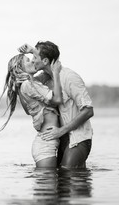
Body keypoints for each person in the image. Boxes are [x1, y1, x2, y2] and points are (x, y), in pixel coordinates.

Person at [18, 41, 94, 169]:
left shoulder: (69, 77)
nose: (32, 61)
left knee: (67, 171)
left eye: (34, 57)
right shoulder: (44, 79)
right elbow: (29, 100)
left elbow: (88, 111)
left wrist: (61, 131)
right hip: (60, 138)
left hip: (78, 138)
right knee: (61, 184)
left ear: (46, 61)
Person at [0, 52, 63, 168]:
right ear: (20, 68)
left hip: (46, 142)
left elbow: (48, 66)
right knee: (47, 184)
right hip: (45, 145)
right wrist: (56, 74)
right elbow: (57, 98)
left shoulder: (27, 84)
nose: (33, 61)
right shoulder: (28, 84)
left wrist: (34, 50)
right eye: (28, 60)